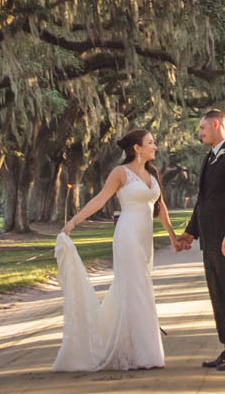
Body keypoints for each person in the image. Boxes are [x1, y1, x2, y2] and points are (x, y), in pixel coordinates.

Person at [52, 128, 181, 371]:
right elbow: (100, 199)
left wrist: (173, 237)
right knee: (139, 287)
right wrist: (73, 222)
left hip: (145, 239)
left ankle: (133, 348)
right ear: (137, 148)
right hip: (127, 235)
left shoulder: (152, 173)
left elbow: (160, 206)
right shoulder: (120, 173)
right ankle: (146, 355)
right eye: (150, 143)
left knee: (134, 289)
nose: (155, 146)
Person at [174, 107, 225, 370]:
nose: (199, 133)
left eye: (202, 128)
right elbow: (203, 202)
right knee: (218, 297)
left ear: (216, 125)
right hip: (209, 242)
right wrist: (190, 232)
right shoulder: (210, 159)